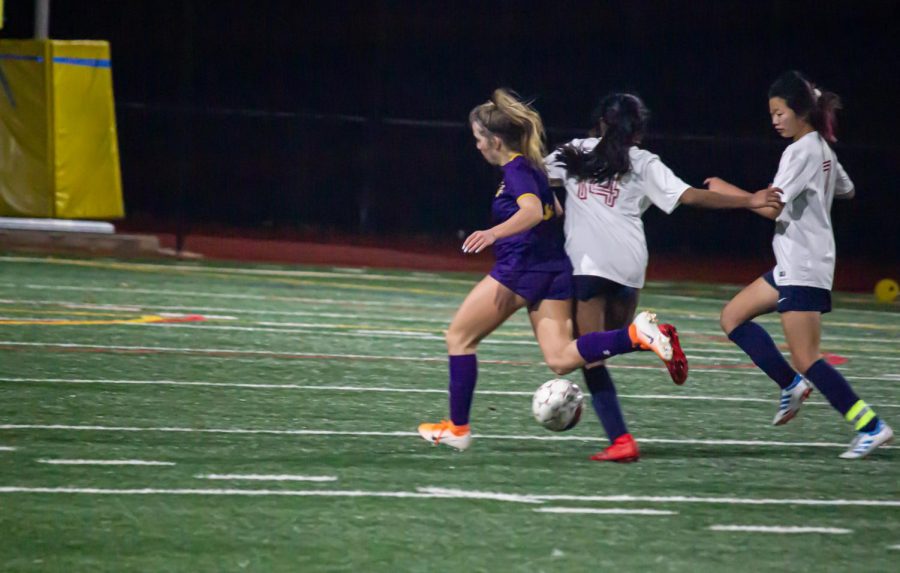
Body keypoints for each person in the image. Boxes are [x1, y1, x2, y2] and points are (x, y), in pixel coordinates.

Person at [417, 89, 683, 452]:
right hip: (553, 269)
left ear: (495, 140)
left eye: (478, 138)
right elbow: (553, 212)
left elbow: (530, 212)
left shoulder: (516, 171)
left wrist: (492, 233)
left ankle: (458, 429)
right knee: (560, 359)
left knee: (459, 338)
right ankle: (636, 336)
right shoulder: (532, 168)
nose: (476, 145)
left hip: (521, 269)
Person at [546, 93, 782, 462]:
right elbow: (689, 196)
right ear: (638, 131)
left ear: (601, 122)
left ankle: (621, 439)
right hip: (629, 266)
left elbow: (530, 174)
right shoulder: (643, 161)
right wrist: (750, 200)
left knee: (591, 355)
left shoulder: (577, 150)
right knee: (613, 340)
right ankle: (646, 343)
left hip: (589, 264)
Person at [707, 70, 893, 459]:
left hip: (803, 265)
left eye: (780, 112)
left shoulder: (801, 150)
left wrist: (728, 192)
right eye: (772, 113)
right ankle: (791, 385)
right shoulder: (821, 149)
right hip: (795, 262)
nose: (775, 120)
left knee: (808, 357)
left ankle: (870, 425)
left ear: (800, 111)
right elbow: (848, 188)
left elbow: (770, 205)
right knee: (732, 317)